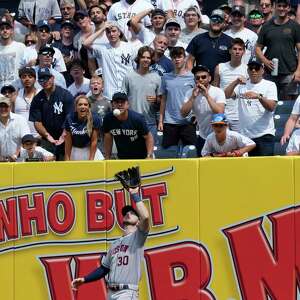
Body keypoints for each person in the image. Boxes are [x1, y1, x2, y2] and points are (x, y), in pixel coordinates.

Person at [71, 167, 149, 300]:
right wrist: (85, 279)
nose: (128, 213)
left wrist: (135, 194)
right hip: (111, 293)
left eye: (133, 213)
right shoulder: (114, 244)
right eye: (126, 213)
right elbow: (104, 269)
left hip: (127, 292)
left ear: (138, 222)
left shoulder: (138, 237)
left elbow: (146, 217)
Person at [224, 57, 278, 156]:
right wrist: (235, 82)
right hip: (245, 136)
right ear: (247, 70)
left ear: (262, 70)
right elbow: (226, 95)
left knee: (264, 168)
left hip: (264, 134)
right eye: (251, 68)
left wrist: (259, 97)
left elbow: (271, 107)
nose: (253, 70)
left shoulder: (270, 85)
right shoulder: (242, 85)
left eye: (256, 68)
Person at [255, 0, 300, 100]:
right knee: (269, 102)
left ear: (288, 8)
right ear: (275, 7)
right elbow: (258, 48)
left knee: (288, 105)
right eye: (279, 6)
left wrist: (298, 71)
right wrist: (265, 61)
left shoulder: (295, 26)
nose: (281, 8)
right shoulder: (266, 26)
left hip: (289, 73)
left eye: (284, 6)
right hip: (269, 73)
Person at [83, 22, 136, 101]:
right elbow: (85, 43)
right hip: (110, 93)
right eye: (108, 32)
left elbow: (136, 68)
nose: (111, 34)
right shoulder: (102, 48)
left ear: (119, 32)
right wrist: (102, 29)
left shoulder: (129, 47)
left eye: (114, 31)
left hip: (128, 91)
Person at [29, 67, 74, 160]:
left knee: (66, 168)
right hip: (47, 140)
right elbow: (37, 122)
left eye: (47, 78)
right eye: (42, 79)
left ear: (53, 78)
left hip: (66, 137)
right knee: (47, 169)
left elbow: (71, 118)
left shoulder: (65, 95)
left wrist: (63, 135)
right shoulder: (37, 99)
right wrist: (47, 136)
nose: (45, 81)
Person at [180, 64, 226, 156]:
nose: (200, 80)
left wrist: (207, 96)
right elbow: (183, 113)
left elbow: (220, 112)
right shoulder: (190, 93)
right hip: (203, 136)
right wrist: (193, 97)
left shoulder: (218, 91)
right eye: (197, 78)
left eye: (203, 77)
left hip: (219, 136)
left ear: (209, 78)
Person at [122, 46, 162, 145]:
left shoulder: (157, 77)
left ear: (151, 60)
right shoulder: (128, 76)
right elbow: (122, 99)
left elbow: (162, 100)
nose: (146, 60)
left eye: (148, 58)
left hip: (150, 122)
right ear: (138, 58)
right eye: (143, 57)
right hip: (131, 122)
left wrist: (157, 99)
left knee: (150, 154)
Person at [159, 47, 197, 149]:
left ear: (184, 58)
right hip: (170, 123)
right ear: (171, 59)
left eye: (179, 57)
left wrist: (197, 115)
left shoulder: (193, 77)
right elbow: (163, 100)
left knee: (192, 154)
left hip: (188, 122)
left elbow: (197, 98)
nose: (177, 59)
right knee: (168, 155)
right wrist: (160, 120)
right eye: (174, 57)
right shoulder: (165, 77)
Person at [103, 92, 154, 159]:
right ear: (112, 104)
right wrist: (107, 157)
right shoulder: (108, 118)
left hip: (142, 156)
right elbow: (108, 138)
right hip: (123, 157)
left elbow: (148, 137)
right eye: (117, 102)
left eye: (122, 102)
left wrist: (149, 156)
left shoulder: (137, 118)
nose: (120, 104)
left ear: (128, 104)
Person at [213, 38, 248, 132]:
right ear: (229, 51)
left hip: (239, 114)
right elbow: (214, 90)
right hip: (222, 112)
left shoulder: (247, 69)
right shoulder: (220, 67)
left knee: (239, 143)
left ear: (244, 52)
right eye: (235, 49)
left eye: (240, 49)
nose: (237, 52)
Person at [186, 9, 233, 77]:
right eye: (214, 19)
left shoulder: (230, 41)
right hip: (201, 81)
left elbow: (234, 63)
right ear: (209, 21)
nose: (216, 22)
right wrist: (193, 76)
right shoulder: (198, 39)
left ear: (224, 23)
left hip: (222, 82)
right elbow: (190, 61)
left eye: (219, 20)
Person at [64, 95, 104, 160]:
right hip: (75, 150)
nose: (83, 107)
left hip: (90, 150)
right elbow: (68, 141)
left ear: (89, 107)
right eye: (80, 104)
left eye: (85, 104)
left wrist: (91, 159)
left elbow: (94, 141)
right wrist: (67, 158)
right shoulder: (69, 118)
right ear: (76, 107)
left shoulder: (95, 118)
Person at [0, 95, 30, 161]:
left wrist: (16, 155)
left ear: (10, 107)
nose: (3, 109)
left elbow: (27, 140)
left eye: (6, 106)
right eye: (1, 106)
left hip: (19, 160)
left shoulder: (20, 119)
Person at [0, 16, 26, 89]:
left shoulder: (21, 47)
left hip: (17, 90)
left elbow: (26, 69)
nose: (5, 30)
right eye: (2, 28)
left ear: (12, 30)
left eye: (7, 28)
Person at [15, 67, 40, 136]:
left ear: (35, 79)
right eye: (24, 77)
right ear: (20, 79)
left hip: (38, 136)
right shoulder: (15, 95)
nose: (27, 79)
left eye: (30, 76)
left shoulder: (41, 94)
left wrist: (43, 135)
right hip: (20, 136)